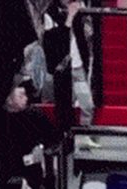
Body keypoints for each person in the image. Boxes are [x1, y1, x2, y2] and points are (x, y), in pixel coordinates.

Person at [43, 0, 100, 148]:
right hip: (62, 67)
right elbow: (55, 42)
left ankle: (84, 136)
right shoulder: (50, 13)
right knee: (64, 108)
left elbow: (89, 32)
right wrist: (69, 18)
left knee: (87, 103)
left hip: (78, 65)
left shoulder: (80, 7)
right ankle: (65, 142)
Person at [0, 85, 57, 189]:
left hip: (33, 168)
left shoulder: (35, 114)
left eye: (25, 95)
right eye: (21, 96)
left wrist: (41, 147)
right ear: (9, 99)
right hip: (9, 169)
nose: (26, 98)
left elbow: (52, 136)